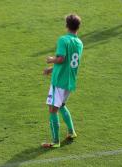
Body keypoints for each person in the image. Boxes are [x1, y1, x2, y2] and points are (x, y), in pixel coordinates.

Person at [42, 14, 83, 148]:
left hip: (59, 82)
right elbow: (67, 63)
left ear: (67, 25)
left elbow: (61, 59)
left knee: (53, 110)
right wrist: (51, 69)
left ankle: (55, 142)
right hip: (69, 81)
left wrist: (51, 59)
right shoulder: (79, 43)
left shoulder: (63, 40)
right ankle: (71, 132)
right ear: (78, 27)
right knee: (62, 105)